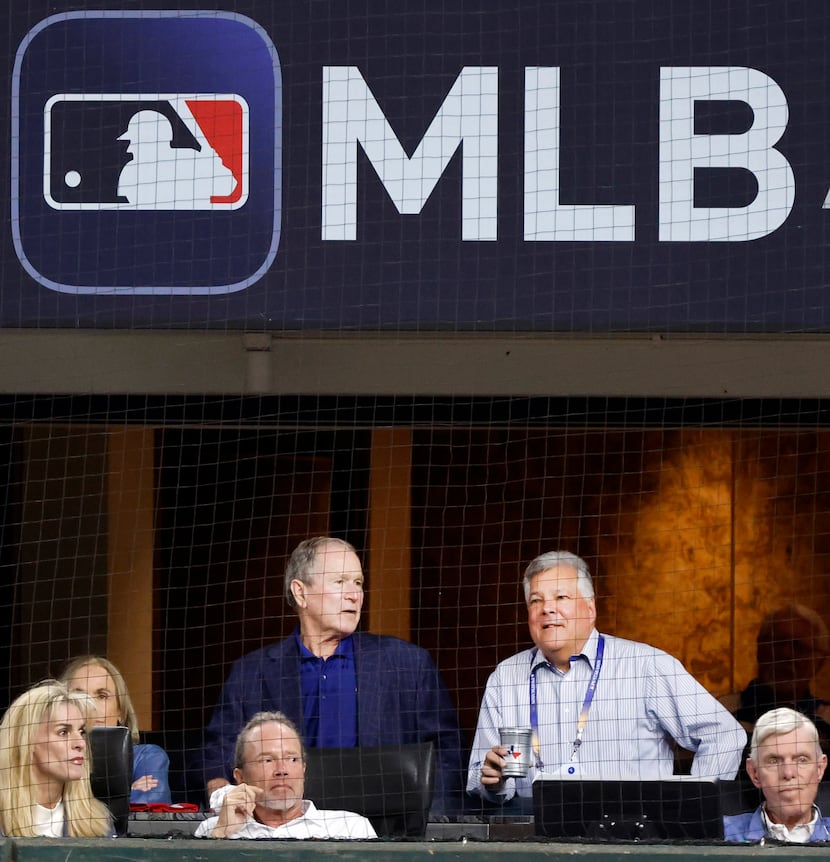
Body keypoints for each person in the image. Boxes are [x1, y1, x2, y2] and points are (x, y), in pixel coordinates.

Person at [198, 536, 465, 812]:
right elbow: (220, 749)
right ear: (301, 593)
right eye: (339, 582)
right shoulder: (252, 672)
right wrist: (221, 793)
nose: (354, 595)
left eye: (358, 583)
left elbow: (445, 752)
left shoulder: (407, 664)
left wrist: (432, 829)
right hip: (284, 829)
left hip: (384, 830)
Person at [467, 550, 747, 802]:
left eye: (561, 597)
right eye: (535, 600)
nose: (547, 608)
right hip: (536, 838)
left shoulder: (646, 666)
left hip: (632, 838)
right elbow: (478, 777)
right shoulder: (506, 678)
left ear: (590, 609)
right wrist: (494, 782)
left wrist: (692, 808)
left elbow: (724, 735)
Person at [195, 711, 376, 839]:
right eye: (267, 760)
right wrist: (221, 835)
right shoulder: (212, 830)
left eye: (292, 759)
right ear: (240, 777)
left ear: (303, 770)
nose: (282, 769)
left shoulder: (351, 828)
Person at [0, 680, 113, 837]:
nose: (80, 743)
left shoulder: (98, 821)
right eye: (63, 732)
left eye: (81, 732)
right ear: (26, 741)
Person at [60, 655, 171, 804]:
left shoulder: (146, 757)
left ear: (121, 711)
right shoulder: (50, 757)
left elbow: (151, 804)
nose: (90, 704)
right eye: (79, 695)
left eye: (102, 696)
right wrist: (123, 796)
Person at [724, 708, 830, 842]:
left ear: (819, 769)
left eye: (802, 760)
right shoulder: (719, 835)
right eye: (773, 761)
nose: (788, 773)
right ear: (754, 773)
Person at [736, 605, 830, 747]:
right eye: (777, 643)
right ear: (759, 649)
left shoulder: (826, 722)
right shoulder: (720, 715)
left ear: (819, 662)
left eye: (798, 647)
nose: (786, 654)